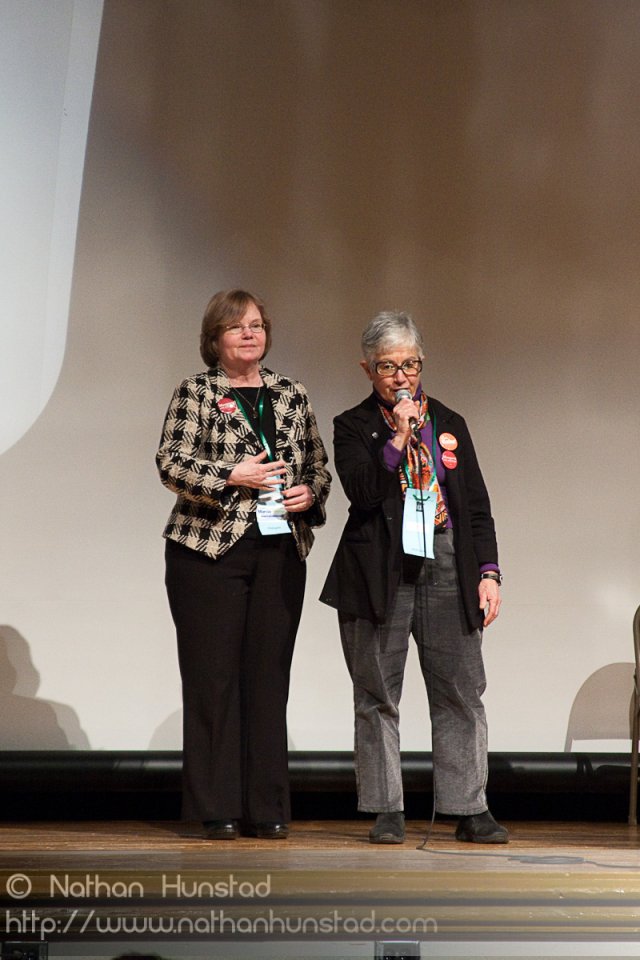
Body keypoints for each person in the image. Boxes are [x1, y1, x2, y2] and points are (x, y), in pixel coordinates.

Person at [320, 310, 507, 845]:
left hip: (447, 559)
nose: (401, 376)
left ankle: (468, 808)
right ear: (367, 369)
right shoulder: (353, 425)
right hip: (380, 566)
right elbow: (361, 489)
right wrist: (398, 439)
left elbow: (476, 507)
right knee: (378, 691)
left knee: (461, 690)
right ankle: (386, 809)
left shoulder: (450, 422)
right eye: (388, 366)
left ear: (421, 362)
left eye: (410, 364)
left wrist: (489, 573)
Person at [157, 288, 331, 840]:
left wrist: (309, 493)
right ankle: (218, 807)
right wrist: (233, 476)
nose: (250, 334)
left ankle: (267, 805)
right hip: (208, 552)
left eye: (256, 324)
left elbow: (319, 466)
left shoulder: (291, 393)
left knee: (268, 677)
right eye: (237, 327)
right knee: (214, 679)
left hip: (279, 551)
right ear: (215, 340)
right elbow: (171, 462)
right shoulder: (196, 392)